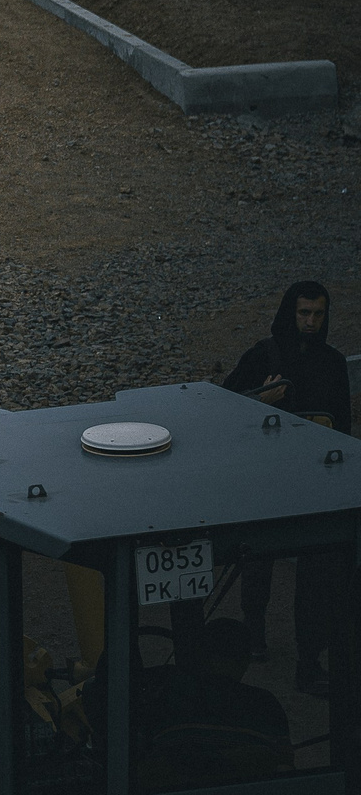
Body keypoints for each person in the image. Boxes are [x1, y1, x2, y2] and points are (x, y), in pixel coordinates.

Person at [220, 281, 346, 689]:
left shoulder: (333, 363)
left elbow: (343, 425)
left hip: (314, 481)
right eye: (304, 313)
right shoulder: (264, 354)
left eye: (318, 314)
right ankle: (253, 629)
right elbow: (223, 406)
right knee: (258, 558)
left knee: (317, 573)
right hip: (267, 477)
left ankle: (309, 659)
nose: (311, 322)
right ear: (290, 313)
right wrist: (263, 401)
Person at [135, 617, 292, 792]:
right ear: (246, 660)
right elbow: (286, 769)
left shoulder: (163, 696)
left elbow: (138, 759)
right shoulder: (265, 703)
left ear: (201, 656)